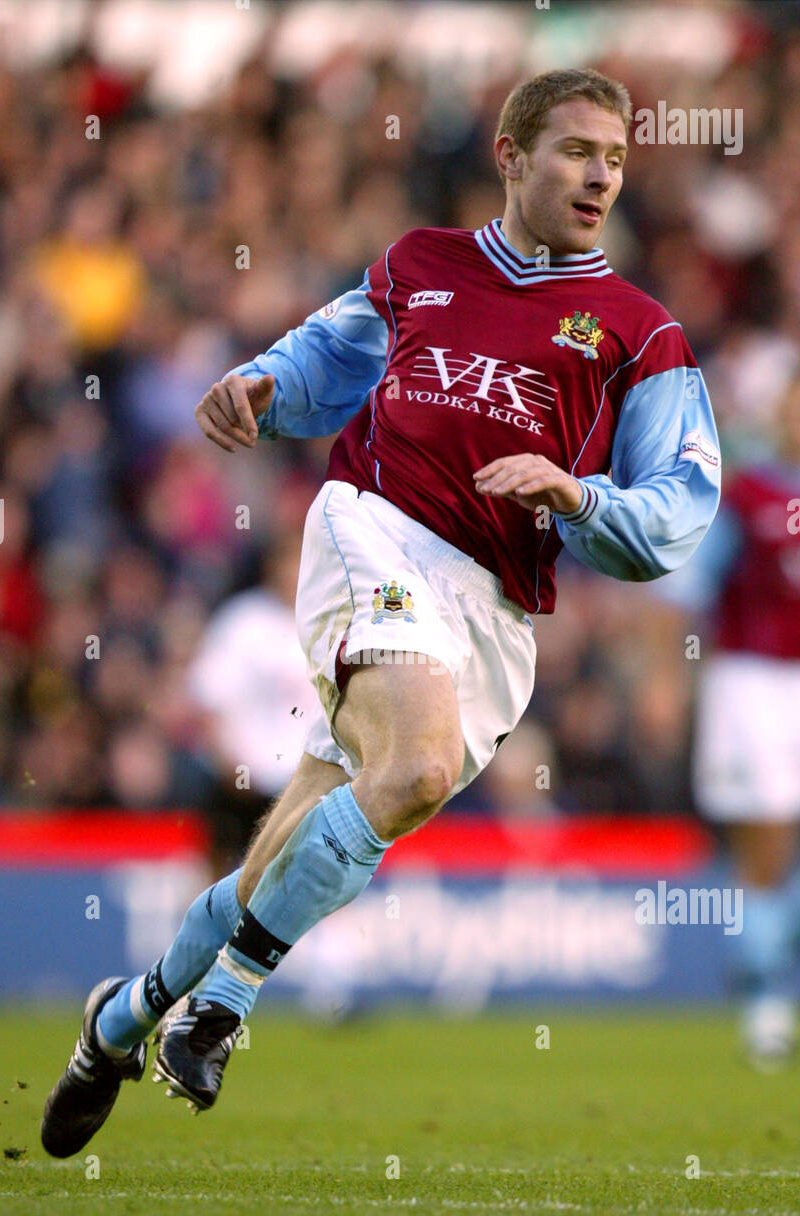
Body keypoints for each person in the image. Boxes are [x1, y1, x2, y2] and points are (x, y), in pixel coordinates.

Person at [41, 67, 721, 1156]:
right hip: (375, 530)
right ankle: (223, 1009)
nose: (600, 175)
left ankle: (120, 1017)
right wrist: (261, 382)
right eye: (576, 151)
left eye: (615, 158)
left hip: (494, 610)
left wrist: (577, 493)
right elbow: (328, 354)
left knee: (277, 862)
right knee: (408, 768)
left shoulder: (638, 334)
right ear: (509, 154)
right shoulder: (420, 264)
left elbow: (680, 507)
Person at [677, 368, 800, 1067]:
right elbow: (691, 583)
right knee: (767, 839)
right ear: (781, 415)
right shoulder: (745, 494)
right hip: (754, 680)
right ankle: (767, 1004)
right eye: (798, 407)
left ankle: (763, 958)